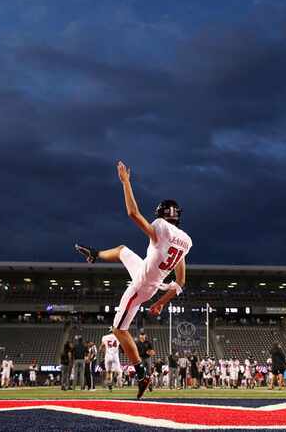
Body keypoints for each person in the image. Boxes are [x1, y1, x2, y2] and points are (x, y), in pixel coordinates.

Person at [75, 160, 192, 399]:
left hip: (142, 284)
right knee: (122, 250)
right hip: (149, 277)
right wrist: (161, 303)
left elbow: (133, 213)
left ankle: (141, 373)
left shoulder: (161, 228)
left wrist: (126, 182)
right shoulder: (185, 242)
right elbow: (180, 282)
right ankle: (95, 254)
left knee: (118, 330)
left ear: (162, 215)